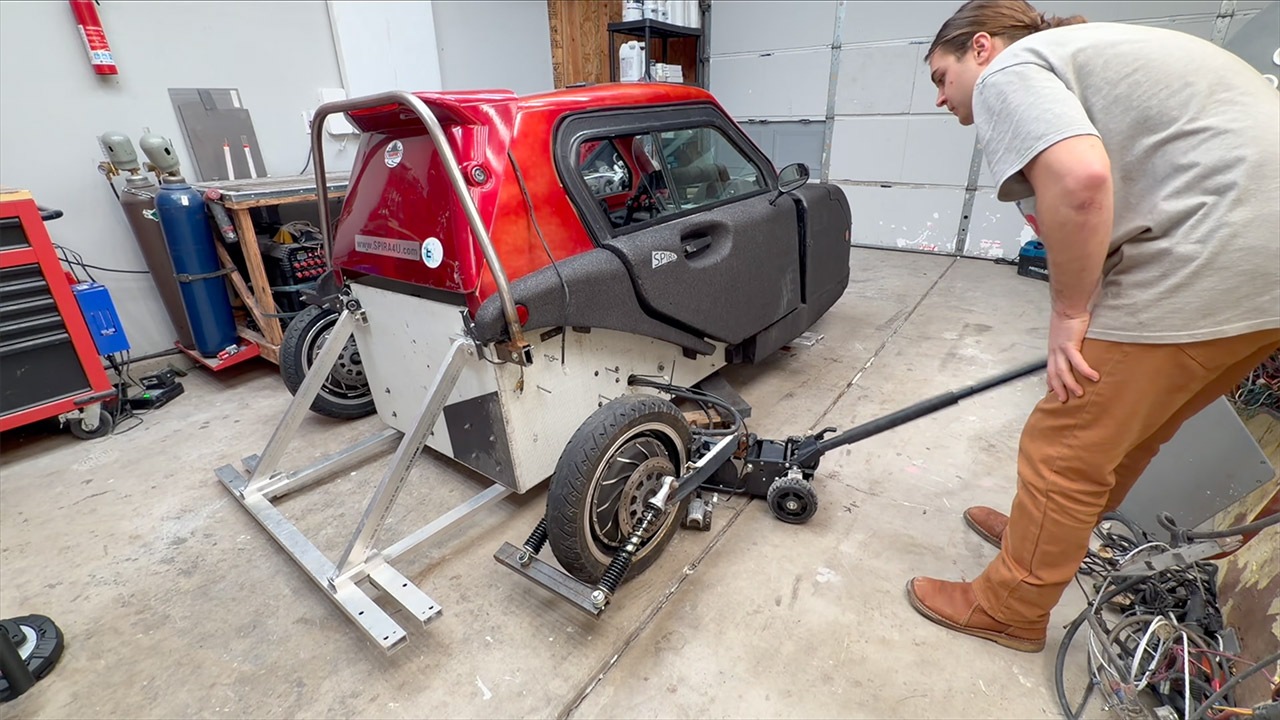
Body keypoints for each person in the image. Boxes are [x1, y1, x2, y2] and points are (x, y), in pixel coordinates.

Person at [907, 0, 1280, 653]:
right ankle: (1041, 538)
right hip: (1261, 275)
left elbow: (1079, 181)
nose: (941, 97)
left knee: (1066, 445)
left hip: (1213, 251)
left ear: (983, 47)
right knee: (1131, 434)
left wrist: (1071, 314)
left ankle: (1011, 606)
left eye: (942, 75)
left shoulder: (1009, 73)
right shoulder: (1084, 60)